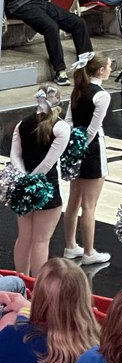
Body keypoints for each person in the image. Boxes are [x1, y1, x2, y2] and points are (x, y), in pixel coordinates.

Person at [9, 87, 70, 275]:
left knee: (24, 238)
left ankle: (20, 281)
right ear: (58, 102)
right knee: (41, 240)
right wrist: (35, 181)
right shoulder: (61, 127)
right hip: (48, 189)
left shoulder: (22, 123)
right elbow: (49, 162)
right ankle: (36, 289)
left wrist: (25, 180)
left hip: (23, 189)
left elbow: (14, 156)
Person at [63, 52, 113, 266]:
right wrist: (82, 146)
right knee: (89, 206)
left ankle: (70, 246)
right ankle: (89, 252)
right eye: (110, 66)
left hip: (74, 147)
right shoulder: (102, 95)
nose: (111, 69)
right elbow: (92, 130)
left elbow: (67, 121)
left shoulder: (78, 90)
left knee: (73, 201)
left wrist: (72, 147)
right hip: (91, 150)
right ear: (101, 70)